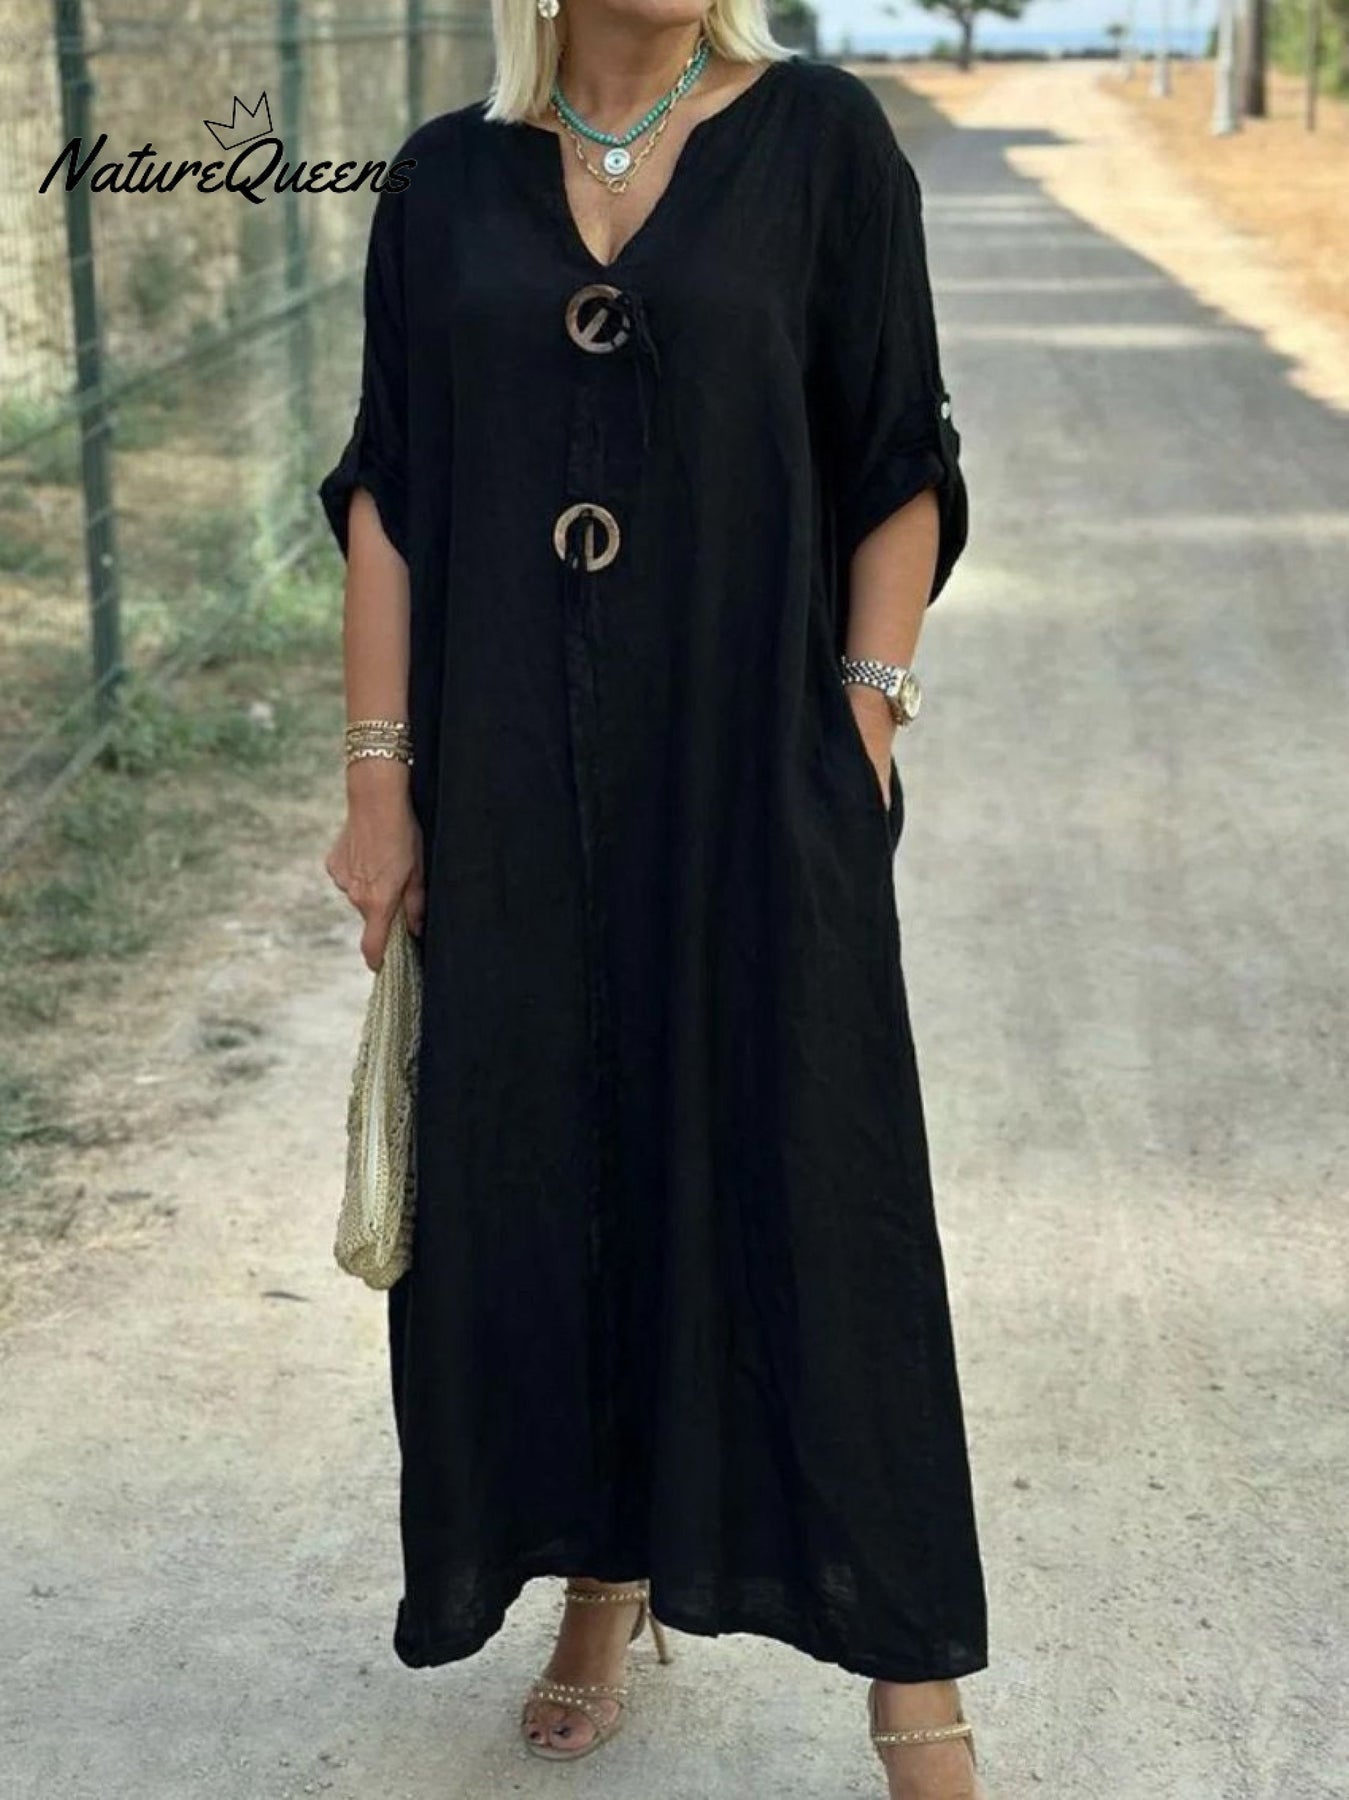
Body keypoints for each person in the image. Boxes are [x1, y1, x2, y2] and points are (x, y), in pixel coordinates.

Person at [320, 2, 989, 1793]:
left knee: (815, 1180)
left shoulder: (822, 142)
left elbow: (897, 454)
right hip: (505, 783)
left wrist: (861, 721)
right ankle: (600, 1581)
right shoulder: (445, 178)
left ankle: (911, 1679)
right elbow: (390, 486)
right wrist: (380, 777)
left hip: (746, 770)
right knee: (543, 1180)